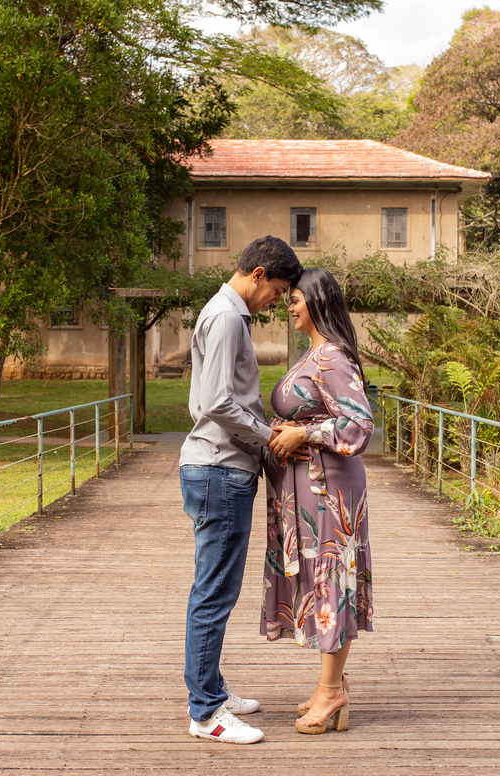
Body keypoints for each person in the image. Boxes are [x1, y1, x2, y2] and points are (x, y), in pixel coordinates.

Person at [181, 235, 304, 745]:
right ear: (257, 275)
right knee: (214, 593)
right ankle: (206, 712)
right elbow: (215, 402)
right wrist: (269, 434)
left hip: (219, 467)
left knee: (217, 590)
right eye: (277, 290)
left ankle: (211, 689)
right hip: (219, 468)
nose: (277, 302)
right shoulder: (229, 316)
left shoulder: (225, 312)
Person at [263, 267, 374, 735]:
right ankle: (330, 682)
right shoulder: (312, 354)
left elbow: (358, 425)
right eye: (287, 298)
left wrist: (304, 432)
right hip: (306, 488)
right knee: (319, 576)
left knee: (333, 579)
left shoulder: (332, 357)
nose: (288, 306)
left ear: (319, 302)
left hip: (329, 489)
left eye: (295, 299)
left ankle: (332, 692)